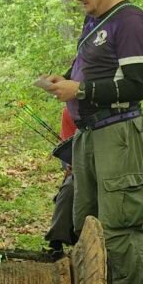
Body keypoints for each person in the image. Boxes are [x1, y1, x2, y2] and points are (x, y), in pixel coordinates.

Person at [42, 0, 143, 284]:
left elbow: (136, 85)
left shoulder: (130, 20)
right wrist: (65, 81)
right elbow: (92, 69)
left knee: (120, 224)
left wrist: (81, 90)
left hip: (117, 133)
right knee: (85, 220)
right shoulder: (94, 21)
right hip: (87, 133)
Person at [44, 106, 77, 262]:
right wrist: (70, 164)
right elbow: (67, 147)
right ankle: (56, 241)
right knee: (69, 188)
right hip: (78, 168)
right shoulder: (69, 111)